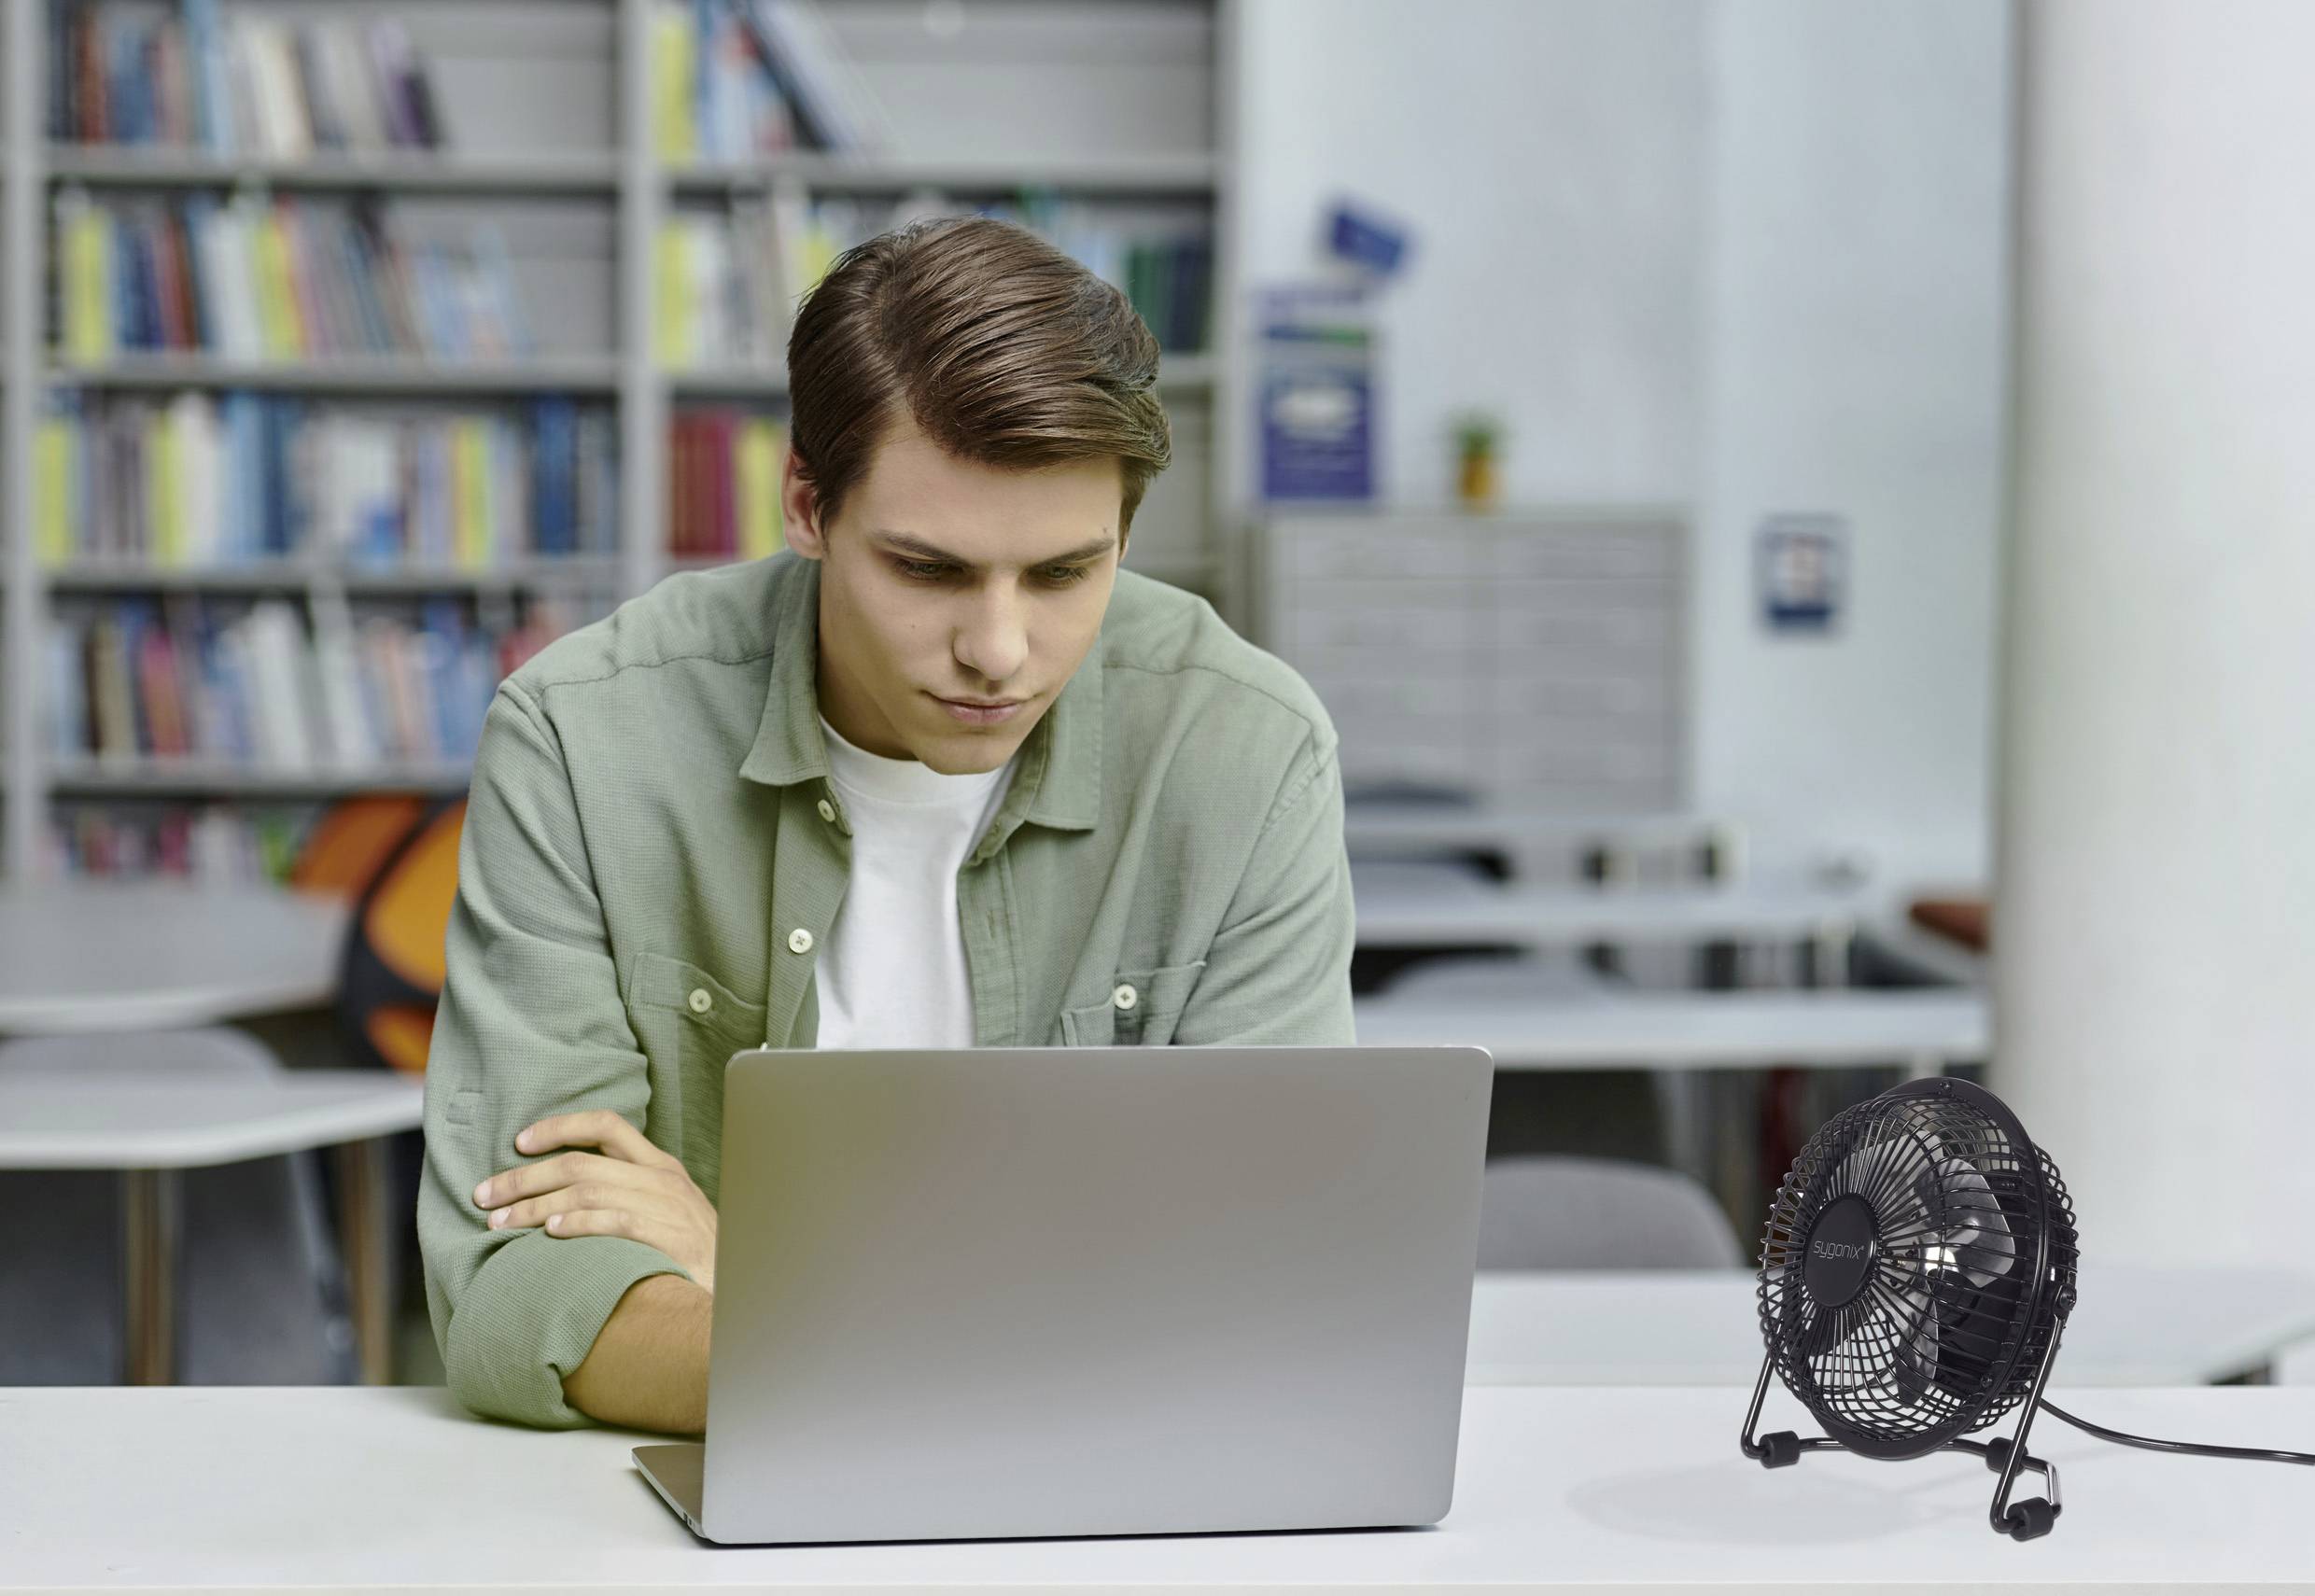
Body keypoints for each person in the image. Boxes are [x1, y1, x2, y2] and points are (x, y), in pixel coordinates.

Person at [417, 217, 1354, 1435]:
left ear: (1125, 533)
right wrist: (1027, 1338)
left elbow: (1264, 1286)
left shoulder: (1245, 752)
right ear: (807, 503)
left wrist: (751, 1274)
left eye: (1068, 573)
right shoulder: (583, 739)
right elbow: (514, 1296)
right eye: (928, 569)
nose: (1000, 651)